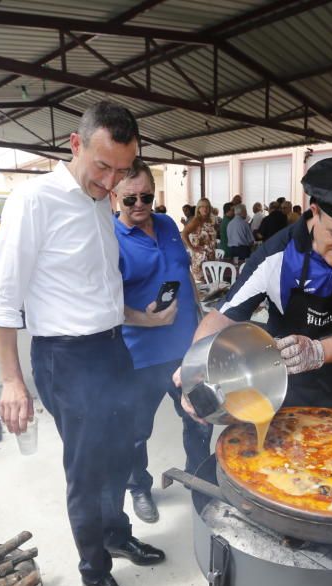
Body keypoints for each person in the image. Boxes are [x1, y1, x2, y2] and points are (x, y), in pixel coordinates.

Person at [0, 101, 171, 586]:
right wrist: (11, 382)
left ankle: (117, 536)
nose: (111, 180)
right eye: (103, 167)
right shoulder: (33, 202)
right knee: (87, 470)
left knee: (122, 451)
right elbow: (2, 300)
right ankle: (95, 572)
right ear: (75, 144)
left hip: (112, 347)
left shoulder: (98, 204)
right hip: (66, 359)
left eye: (122, 169)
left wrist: (143, 318)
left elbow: (99, 290)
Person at [179, 158, 332, 418]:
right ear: (315, 211)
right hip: (283, 389)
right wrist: (196, 367)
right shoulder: (277, 254)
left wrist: (317, 351)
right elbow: (224, 315)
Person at [113, 159, 214, 524]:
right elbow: (103, 305)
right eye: (130, 199)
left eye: (146, 196)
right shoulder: (109, 239)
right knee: (135, 431)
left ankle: (199, 480)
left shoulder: (169, 223)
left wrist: (200, 312)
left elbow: (183, 270)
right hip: (140, 356)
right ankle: (138, 487)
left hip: (186, 348)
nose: (139, 205)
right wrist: (148, 318)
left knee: (200, 417)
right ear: (115, 196)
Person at [182, 198, 217, 283]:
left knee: (211, 284)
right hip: (200, 259)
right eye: (202, 207)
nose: (205, 209)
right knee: (203, 285)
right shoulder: (196, 220)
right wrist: (192, 248)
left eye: (207, 207)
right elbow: (184, 234)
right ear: (198, 209)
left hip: (210, 257)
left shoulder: (211, 220)